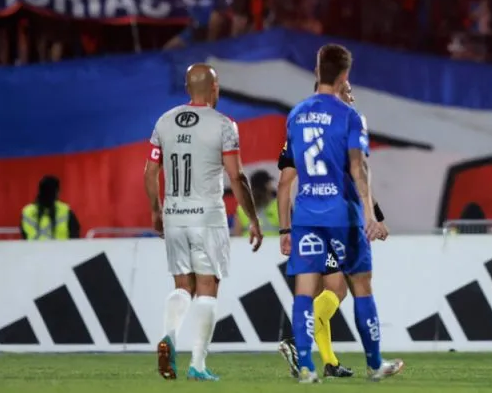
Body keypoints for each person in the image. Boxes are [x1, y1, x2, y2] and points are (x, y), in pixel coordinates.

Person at [277, 44, 403, 383]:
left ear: (318, 71)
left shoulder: (296, 115)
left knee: (305, 290)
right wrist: (369, 215)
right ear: (345, 75)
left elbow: (287, 178)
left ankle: (306, 366)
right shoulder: (349, 116)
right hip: (340, 213)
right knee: (360, 286)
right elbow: (357, 168)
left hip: (305, 213)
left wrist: (285, 229)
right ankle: (375, 364)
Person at [144, 63, 263, 381]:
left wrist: (156, 211)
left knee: (183, 286)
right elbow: (236, 176)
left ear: (187, 88)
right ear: (215, 88)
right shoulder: (224, 125)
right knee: (208, 286)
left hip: (175, 214)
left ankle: (169, 337)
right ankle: (197, 363)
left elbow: (150, 172)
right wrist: (252, 218)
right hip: (207, 215)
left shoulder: (164, 122)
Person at [232, 170, 281, 237]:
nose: (271, 186)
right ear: (266, 185)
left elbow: (237, 234)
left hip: (249, 246)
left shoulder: (242, 207)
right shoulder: (279, 205)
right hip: (274, 245)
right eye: (270, 183)